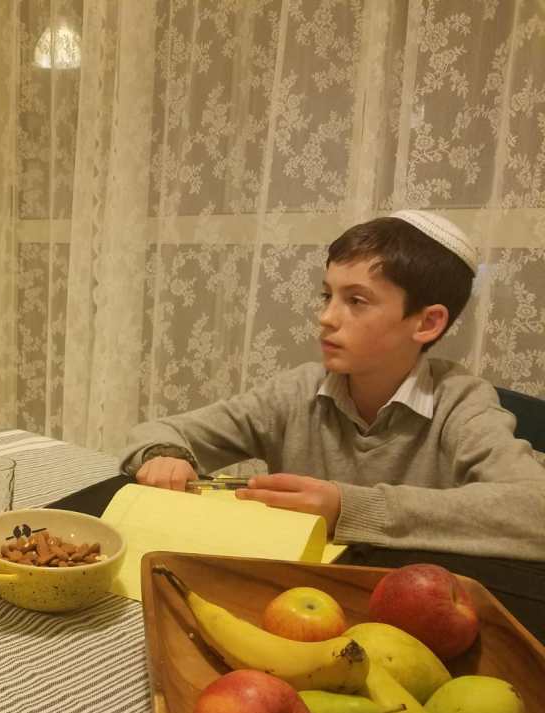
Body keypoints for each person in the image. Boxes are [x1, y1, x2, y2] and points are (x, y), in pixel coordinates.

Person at [121, 211, 545, 560]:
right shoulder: (298, 391)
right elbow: (161, 431)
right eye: (328, 296)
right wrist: (164, 456)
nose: (326, 318)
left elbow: (535, 510)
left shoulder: (460, 401)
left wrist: (348, 508)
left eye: (356, 301)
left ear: (427, 322)